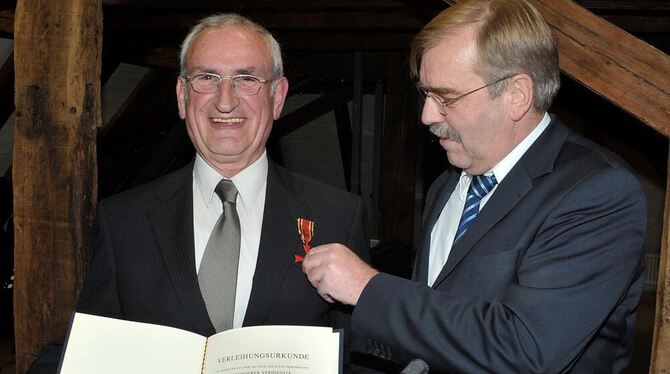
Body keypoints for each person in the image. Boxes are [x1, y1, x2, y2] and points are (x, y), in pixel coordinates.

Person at [303, 0, 647, 372]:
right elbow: (434, 330)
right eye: (426, 94)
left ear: (516, 95)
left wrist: (367, 288)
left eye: (446, 98)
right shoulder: (449, 185)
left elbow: (526, 350)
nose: (427, 115)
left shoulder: (596, 191)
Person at [27, 13, 368, 372]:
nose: (225, 101)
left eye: (246, 79)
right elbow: (86, 351)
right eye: (206, 78)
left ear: (278, 96)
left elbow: (356, 358)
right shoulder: (123, 221)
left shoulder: (337, 216)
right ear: (181, 94)